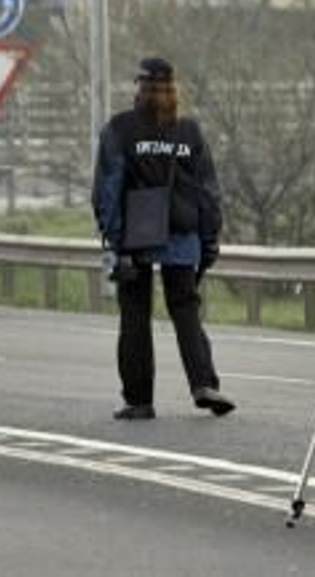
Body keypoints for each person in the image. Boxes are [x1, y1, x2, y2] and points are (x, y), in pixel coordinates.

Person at [92, 57, 234, 421]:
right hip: (184, 234)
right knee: (186, 310)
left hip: (135, 237)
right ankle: (204, 383)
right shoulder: (189, 132)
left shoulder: (120, 129)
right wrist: (210, 239)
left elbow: (109, 188)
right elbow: (208, 191)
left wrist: (113, 239)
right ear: (173, 89)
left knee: (135, 314)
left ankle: (139, 400)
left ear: (139, 87)